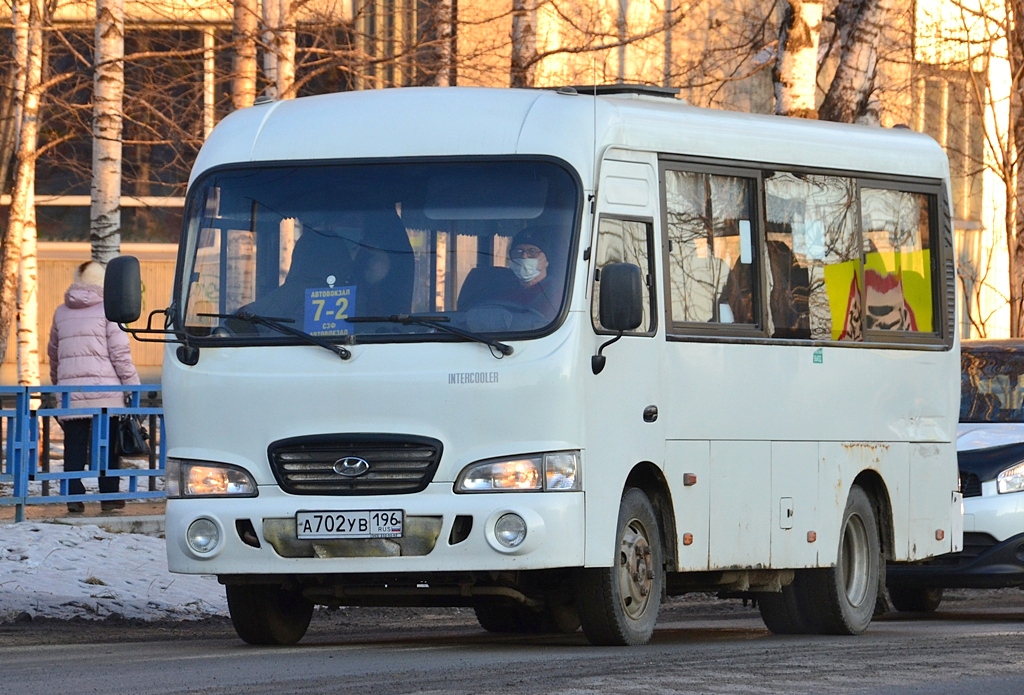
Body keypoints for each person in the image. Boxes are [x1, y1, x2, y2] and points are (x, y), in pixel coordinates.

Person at [47, 261, 140, 513]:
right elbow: (120, 354)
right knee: (108, 445)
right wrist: (133, 386)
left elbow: (54, 355)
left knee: (74, 446)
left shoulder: (60, 312)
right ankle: (109, 496)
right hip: (106, 395)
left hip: (70, 394)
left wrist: (59, 386)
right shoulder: (109, 312)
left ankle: (73, 496)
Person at [506, 228, 561, 321]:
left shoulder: (558, 293)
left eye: (532, 251)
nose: (524, 256)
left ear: (547, 260)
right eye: (518, 251)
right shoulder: (503, 287)